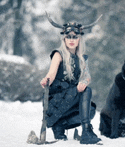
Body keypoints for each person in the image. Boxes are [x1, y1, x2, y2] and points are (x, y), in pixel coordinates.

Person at [40, 14, 102, 144]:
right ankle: (86, 132)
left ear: (79, 39)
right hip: (57, 99)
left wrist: (83, 82)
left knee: (90, 111)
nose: (71, 39)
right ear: (64, 39)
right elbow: (51, 73)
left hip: (71, 97)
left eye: (75, 37)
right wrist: (47, 80)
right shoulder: (59, 54)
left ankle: (60, 126)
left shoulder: (82, 58)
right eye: (68, 37)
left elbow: (87, 76)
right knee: (87, 91)